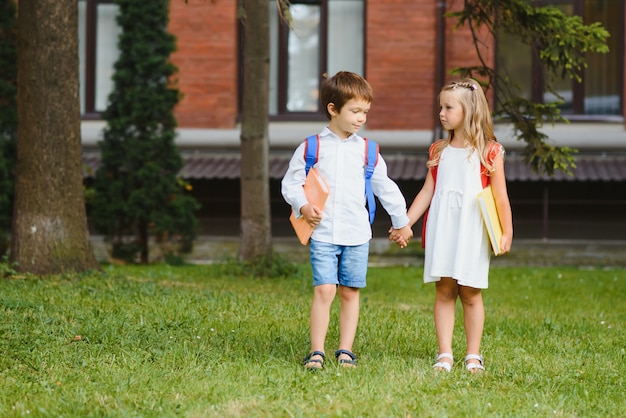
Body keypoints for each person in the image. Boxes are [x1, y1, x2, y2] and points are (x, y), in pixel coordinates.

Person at [282, 71, 413, 370]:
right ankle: (316, 351)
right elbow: (291, 183)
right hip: (323, 233)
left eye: (365, 112)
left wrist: (401, 221)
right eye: (355, 111)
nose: (361, 118)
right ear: (333, 109)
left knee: (350, 291)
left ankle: (345, 350)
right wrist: (302, 206)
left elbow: (385, 187)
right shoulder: (312, 147)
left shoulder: (367, 150)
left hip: (357, 234)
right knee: (324, 289)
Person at [390, 78, 513, 373]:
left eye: (448, 107)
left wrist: (507, 231)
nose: (441, 113)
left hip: (472, 229)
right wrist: (405, 223)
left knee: (470, 292)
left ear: (469, 110)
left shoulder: (490, 152)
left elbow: (500, 196)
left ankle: (473, 354)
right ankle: (444, 353)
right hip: (443, 227)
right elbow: (427, 192)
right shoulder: (438, 150)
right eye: (440, 107)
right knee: (444, 290)